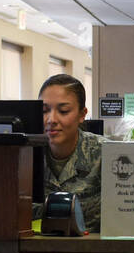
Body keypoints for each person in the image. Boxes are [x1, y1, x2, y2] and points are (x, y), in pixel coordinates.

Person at [40, 73, 104, 233]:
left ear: (82, 114)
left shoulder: (106, 154)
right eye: (44, 110)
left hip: (92, 251)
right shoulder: (23, 153)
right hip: (34, 251)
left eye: (63, 111)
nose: (51, 119)